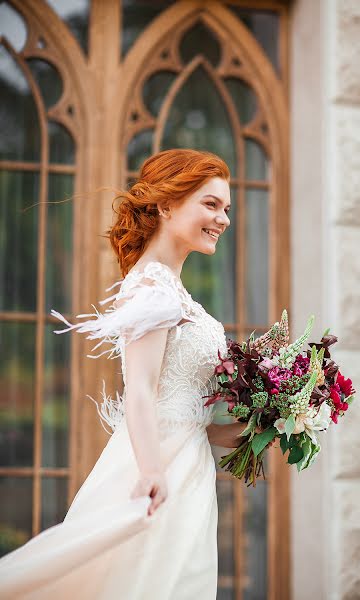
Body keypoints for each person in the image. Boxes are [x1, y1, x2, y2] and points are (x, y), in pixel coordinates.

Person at [0, 148, 260, 599]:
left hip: (190, 465)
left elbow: (192, 417)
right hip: (158, 464)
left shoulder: (175, 289)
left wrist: (264, 421)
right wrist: (152, 471)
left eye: (227, 209)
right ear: (166, 205)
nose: (223, 219)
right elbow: (140, 389)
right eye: (211, 205)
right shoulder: (151, 285)